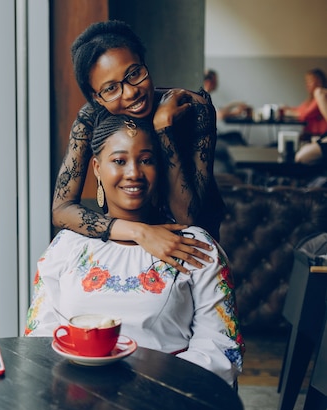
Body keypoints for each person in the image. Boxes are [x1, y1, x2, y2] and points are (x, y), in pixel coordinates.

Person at [26, 114, 244, 387]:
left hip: (168, 400)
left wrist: (146, 392)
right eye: (119, 161)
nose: (133, 173)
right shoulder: (66, 248)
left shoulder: (194, 246)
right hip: (79, 398)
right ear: (96, 167)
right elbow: (41, 337)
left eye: (146, 160)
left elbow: (220, 348)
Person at [52, 20, 224, 275]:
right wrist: (139, 232)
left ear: (145, 63)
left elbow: (189, 219)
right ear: (96, 98)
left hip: (190, 254)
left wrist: (163, 126)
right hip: (125, 246)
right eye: (110, 88)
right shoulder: (90, 118)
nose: (130, 92)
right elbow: (61, 210)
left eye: (134, 74)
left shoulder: (192, 108)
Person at [283, 68, 327, 143]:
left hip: (318, 135)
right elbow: (301, 109)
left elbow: (305, 115)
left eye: (310, 81)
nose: (307, 84)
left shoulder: (321, 95)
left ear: (319, 82)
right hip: (310, 134)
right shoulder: (311, 99)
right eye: (307, 82)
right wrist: (290, 109)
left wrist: (292, 112)